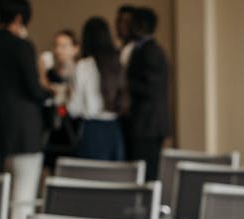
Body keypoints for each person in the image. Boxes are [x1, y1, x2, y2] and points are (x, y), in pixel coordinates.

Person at [0, 0, 50, 219]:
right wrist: (49, 90)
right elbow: (33, 90)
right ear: (19, 19)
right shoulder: (23, 47)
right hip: (23, 129)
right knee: (23, 192)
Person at [68, 17, 126, 161]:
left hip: (92, 130)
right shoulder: (117, 63)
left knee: (92, 178)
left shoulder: (84, 65)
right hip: (115, 130)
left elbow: (73, 109)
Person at [122, 7, 170, 180]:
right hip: (144, 125)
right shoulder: (140, 49)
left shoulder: (151, 52)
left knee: (147, 175)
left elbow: (150, 88)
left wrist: (125, 83)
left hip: (148, 125)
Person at [39, 30, 80, 169]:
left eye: (63, 46)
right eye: (56, 46)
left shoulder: (80, 74)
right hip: (52, 131)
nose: (58, 50)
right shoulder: (48, 74)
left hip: (74, 131)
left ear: (75, 49)